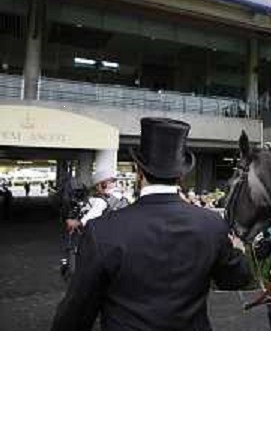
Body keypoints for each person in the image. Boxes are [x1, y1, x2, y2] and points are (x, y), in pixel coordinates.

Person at [52, 117, 252, 330]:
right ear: (181, 176)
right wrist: (238, 251)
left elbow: (75, 314)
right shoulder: (211, 224)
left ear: (139, 173)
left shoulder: (102, 230)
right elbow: (236, 280)